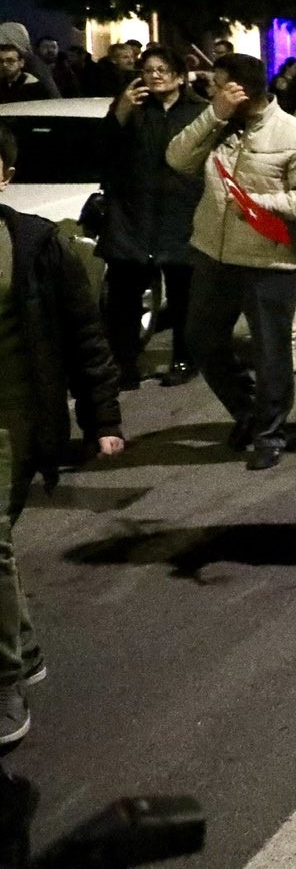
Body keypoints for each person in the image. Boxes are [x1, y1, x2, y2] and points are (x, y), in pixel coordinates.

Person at [0, 125, 126, 743]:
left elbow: (84, 334)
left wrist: (102, 416)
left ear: (5, 175)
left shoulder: (34, 243)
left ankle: (4, 684)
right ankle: (21, 648)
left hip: (14, 420)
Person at [167, 53, 296, 470]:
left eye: (217, 84)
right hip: (213, 252)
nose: (209, 90)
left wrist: (262, 204)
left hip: (268, 261)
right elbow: (177, 158)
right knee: (202, 339)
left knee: (271, 352)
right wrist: (213, 115)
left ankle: (269, 432)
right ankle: (247, 410)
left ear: (239, 88)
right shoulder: (218, 124)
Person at [98, 45, 206, 389]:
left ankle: (185, 357)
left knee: (183, 295)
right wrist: (122, 110)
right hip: (133, 215)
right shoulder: (132, 110)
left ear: (178, 75)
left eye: (162, 69)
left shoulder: (197, 111)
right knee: (123, 298)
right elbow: (105, 149)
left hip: (182, 214)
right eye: (147, 70)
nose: (154, 75)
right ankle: (125, 364)